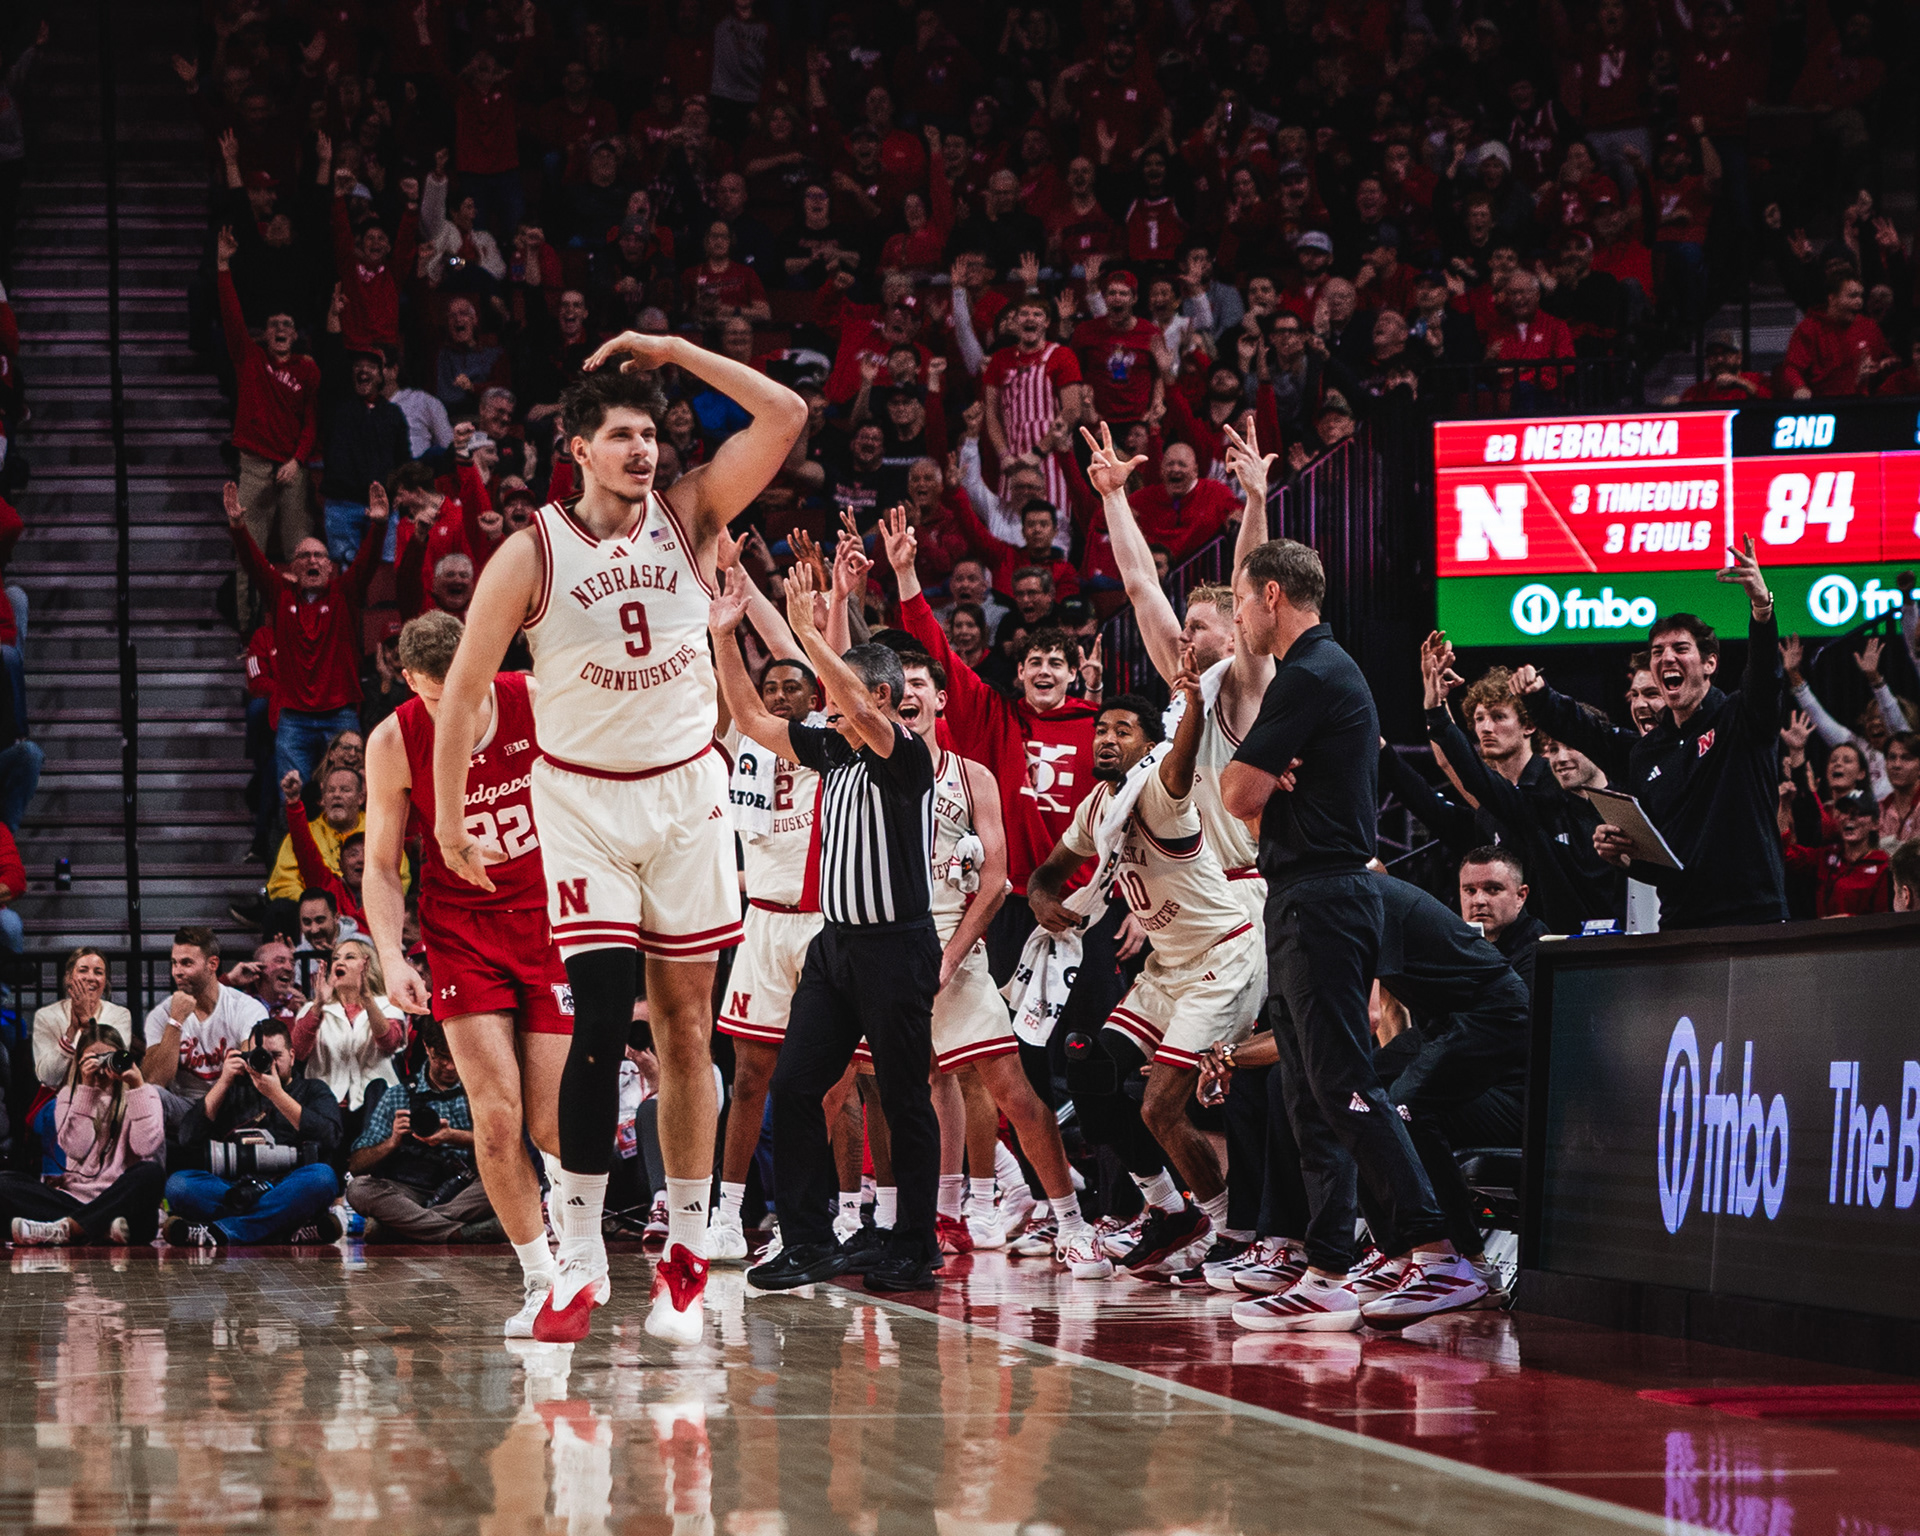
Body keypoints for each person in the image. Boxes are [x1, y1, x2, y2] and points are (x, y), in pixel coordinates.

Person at [431, 334, 805, 1346]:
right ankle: (582, 1256)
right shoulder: (531, 552)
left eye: (651, 433)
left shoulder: (692, 514)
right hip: (584, 806)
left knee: (686, 1032)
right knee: (600, 1014)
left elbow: (785, 415)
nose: (644, 450)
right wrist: (449, 816)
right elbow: (462, 693)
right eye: (623, 436)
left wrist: (674, 349)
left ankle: (685, 1255)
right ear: (578, 449)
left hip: (686, 800)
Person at [1221, 539, 1485, 1330]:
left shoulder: (1310, 673)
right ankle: (1328, 1265)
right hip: (1306, 896)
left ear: (1272, 595)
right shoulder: (1318, 672)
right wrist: (1266, 775)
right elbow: (1251, 790)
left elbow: (1235, 794)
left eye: (1239, 599)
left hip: (1325, 899)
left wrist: (1263, 775)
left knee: (1342, 1083)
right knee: (1308, 1090)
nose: (1236, 617)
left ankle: (1435, 1252)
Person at [714, 565, 942, 1295]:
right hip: (833, 949)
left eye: (840, 695)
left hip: (895, 949)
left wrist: (810, 629)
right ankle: (811, 1239)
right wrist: (724, 637)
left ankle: (915, 1244)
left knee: (902, 1098)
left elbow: (862, 709)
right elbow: (751, 719)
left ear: (881, 699)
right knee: (794, 1086)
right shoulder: (832, 751)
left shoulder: (905, 755)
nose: (826, 706)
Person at [364, 609, 573, 1335]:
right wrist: (392, 956)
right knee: (497, 1118)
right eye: (435, 694)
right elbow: (381, 865)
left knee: (552, 1122)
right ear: (409, 681)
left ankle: (577, 1242)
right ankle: (540, 1279)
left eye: (463, 686)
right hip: (462, 934)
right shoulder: (393, 741)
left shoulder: (533, 699)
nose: (451, 705)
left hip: (549, 920)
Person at [882, 624, 1106, 1276]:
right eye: (899, 685)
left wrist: (949, 957)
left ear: (940, 700)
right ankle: (930, 1213)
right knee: (901, 1084)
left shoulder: (972, 775)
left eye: (920, 683)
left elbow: (998, 881)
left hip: (957, 951)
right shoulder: (866, 773)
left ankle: (1071, 1223)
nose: (908, 693)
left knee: (1011, 1087)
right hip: (887, 950)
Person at [1030, 678, 1266, 1278]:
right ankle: (1169, 1210)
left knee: (1160, 1106)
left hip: (1221, 959)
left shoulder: (1160, 789)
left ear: (1150, 744)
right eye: (1100, 729)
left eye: (1123, 730)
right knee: (1090, 1071)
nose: (1106, 739)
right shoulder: (1096, 806)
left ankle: (1232, 1227)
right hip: (1167, 966)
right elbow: (1048, 872)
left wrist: (1192, 711)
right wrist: (1041, 897)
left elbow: (1181, 763)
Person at [1519, 538, 1787, 930]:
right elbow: (1662, 866)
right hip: (1680, 926)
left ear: (1710, 663)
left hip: (1754, 918)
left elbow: (1765, 678)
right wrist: (1624, 855)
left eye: (1680, 648)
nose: (1667, 658)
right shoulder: (1648, 753)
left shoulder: (1741, 719)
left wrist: (1762, 611)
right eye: (1658, 651)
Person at [712, 609, 824, 1263]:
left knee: (826, 1086)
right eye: (770, 688)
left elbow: (830, 669)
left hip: (823, 924)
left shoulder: (833, 742)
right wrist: (720, 634)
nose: (779, 696)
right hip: (761, 924)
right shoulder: (745, 742)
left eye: (793, 687)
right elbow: (731, 697)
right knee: (749, 1077)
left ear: (816, 697)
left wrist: (806, 624)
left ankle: (812, 1214)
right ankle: (728, 1216)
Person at [226, 480, 390, 789]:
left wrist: (379, 526)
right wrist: (238, 526)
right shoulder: (280, 594)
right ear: (293, 566)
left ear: (329, 566)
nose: (312, 560)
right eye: (304, 556)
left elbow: (367, 562)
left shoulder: (345, 594)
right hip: (293, 717)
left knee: (349, 791)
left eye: (319, 556)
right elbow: (253, 563)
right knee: (292, 795)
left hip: (340, 713)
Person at [163, 1019, 344, 1247]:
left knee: (322, 1178)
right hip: (233, 1190)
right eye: (259, 1056)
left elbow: (330, 1137)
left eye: (275, 1056)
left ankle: (220, 1232)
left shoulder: (312, 1090)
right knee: (178, 1185)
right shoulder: (233, 1090)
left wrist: (277, 1095)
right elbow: (188, 1137)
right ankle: (282, 1231)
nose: (268, 1063)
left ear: (292, 1056)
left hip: (287, 1187)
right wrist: (223, 1082)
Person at [2, 1024, 167, 1247]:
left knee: (151, 1173)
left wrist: (137, 1085)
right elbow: (76, 1149)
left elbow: (145, 1147)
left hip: (123, 1200)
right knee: (5, 1183)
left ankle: (66, 1229)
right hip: (76, 1199)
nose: (102, 1068)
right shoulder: (68, 1096)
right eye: (93, 1060)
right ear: (79, 1062)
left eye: (108, 1058)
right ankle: (98, 1228)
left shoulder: (146, 1094)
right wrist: (87, 1091)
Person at [345, 1017, 500, 1243]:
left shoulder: (477, 1093)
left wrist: (455, 1137)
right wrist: (391, 1142)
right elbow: (357, 1165)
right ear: (427, 1048)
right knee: (358, 1189)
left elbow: (502, 1145)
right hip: (408, 1191)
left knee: (505, 1181)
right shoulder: (398, 1095)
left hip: (463, 1190)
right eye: (442, 1057)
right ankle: (460, 1233)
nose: (450, 1066)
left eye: (455, 1056)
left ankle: (398, 1228)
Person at [141, 927, 270, 1130]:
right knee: (148, 1095)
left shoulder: (245, 1008)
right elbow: (154, 1080)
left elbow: (249, 1070)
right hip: (187, 1108)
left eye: (187, 963)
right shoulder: (163, 1015)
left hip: (233, 1105)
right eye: (174, 963)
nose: (177, 971)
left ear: (212, 964)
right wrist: (175, 1022)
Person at [291, 937, 407, 1134]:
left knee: (377, 1089)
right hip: (326, 1103)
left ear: (368, 966)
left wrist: (367, 1000)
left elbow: (390, 1043)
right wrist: (318, 1005)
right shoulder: (312, 1008)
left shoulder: (388, 1005)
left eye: (350, 957)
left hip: (377, 1102)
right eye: (336, 958)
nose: (340, 962)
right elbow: (298, 1052)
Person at [1779, 788, 1891, 916]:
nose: (1850, 817)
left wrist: (1847, 921)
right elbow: (1786, 855)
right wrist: (1784, 806)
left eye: (1859, 813)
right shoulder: (1826, 856)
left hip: (1858, 930)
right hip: (1823, 928)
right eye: (1844, 811)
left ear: (1875, 824)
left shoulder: (1883, 867)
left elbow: (1884, 919)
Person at [32, 947, 133, 1088]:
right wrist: (71, 1033)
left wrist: (88, 1023)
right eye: (83, 970)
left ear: (105, 982)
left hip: (105, 1095)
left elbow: (113, 1068)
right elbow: (48, 1077)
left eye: (98, 972)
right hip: (59, 1096)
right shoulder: (46, 1016)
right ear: (69, 978)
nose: (91, 977)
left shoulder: (119, 1015)